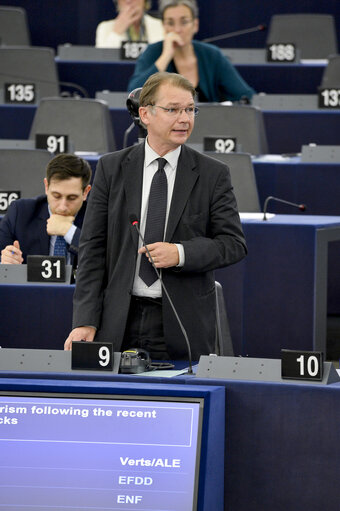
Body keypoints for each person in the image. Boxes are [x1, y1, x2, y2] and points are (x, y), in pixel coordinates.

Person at [64, 71, 246, 360]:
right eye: (173, 110)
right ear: (145, 114)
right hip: (117, 321)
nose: (185, 118)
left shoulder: (213, 174)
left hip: (180, 322)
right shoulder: (112, 169)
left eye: (190, 109)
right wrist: (85, 319)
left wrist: (181, 253)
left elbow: (233, 244)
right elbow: (92, 249)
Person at [128, 0, 255, 102]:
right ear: (163, 26)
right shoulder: (154, 52)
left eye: (184, 22)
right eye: (170, 23)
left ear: (195, 25)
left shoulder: (211, 55)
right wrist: (165, 56)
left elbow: (245, 96)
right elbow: (134, 94)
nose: (177, 29)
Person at [0, 153, 92, 267]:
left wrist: (70, 232)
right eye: (56, 196)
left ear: (85, 192)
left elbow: (105, 260)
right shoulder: (20, 213)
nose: (62, 207)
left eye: (72, 198)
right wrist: (5, 261)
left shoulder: (97, 218)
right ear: (46, 186)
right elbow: (2, 255)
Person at [96, 0, 164, 48]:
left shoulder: (160, 26)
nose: (128, 1)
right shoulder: (105, 28)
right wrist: (117, 33)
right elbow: (103, 63)